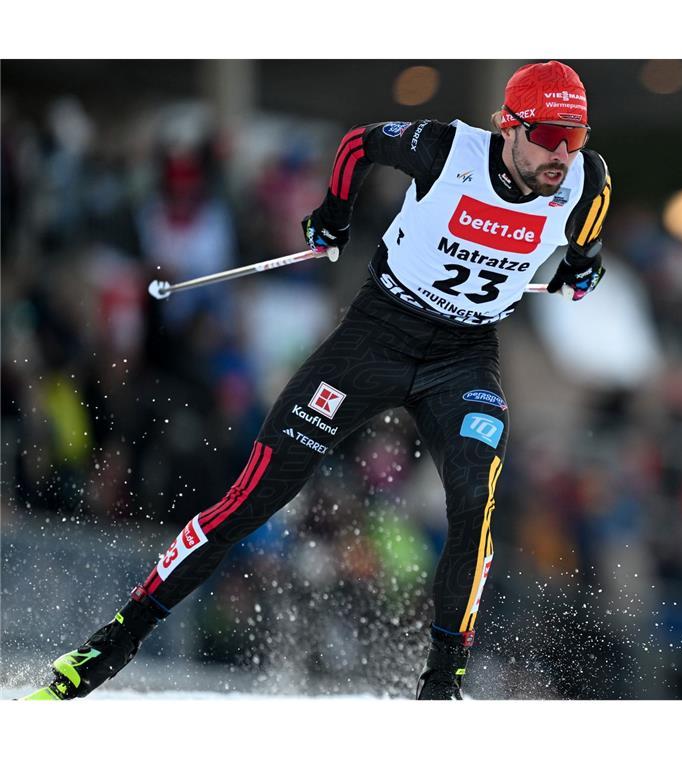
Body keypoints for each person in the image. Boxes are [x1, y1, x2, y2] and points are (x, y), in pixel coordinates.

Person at [25, 60, 611, 701]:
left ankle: (442, 693)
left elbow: (585, 250)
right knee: (255, 496)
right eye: (548, 136)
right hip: (378, 335)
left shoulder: (586, 181)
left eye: (573, 137)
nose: (561, 153)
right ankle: (109, 646)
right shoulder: (447, 148)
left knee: (476, 504)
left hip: (464, 359)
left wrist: (583, 271)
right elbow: (359, 143)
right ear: (509, 128)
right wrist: (332, 216)